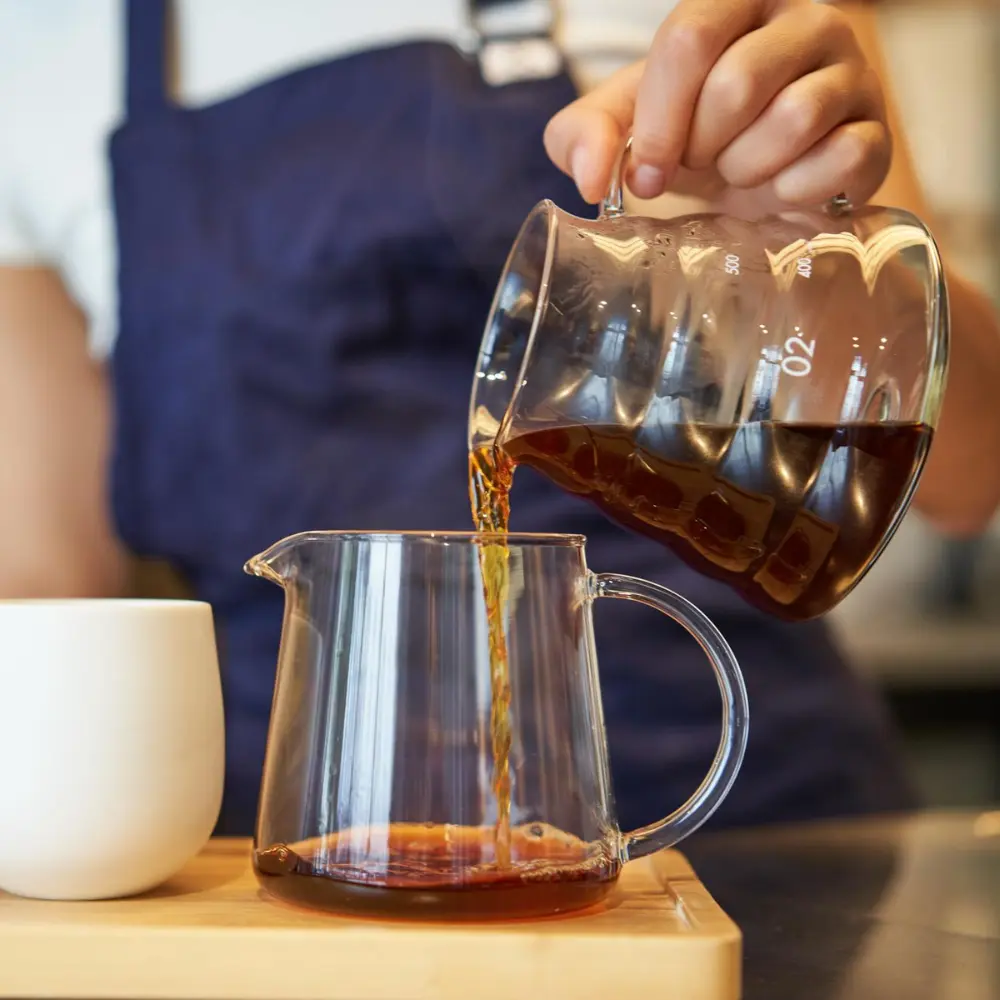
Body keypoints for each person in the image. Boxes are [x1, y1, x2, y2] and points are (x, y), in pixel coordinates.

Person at [1, 0, 998, 836]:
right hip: (308, 834)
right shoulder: (34, 43)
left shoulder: (732, 23)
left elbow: (968, 472)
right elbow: (44, 587)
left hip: (756, 834)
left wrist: (812, 275)